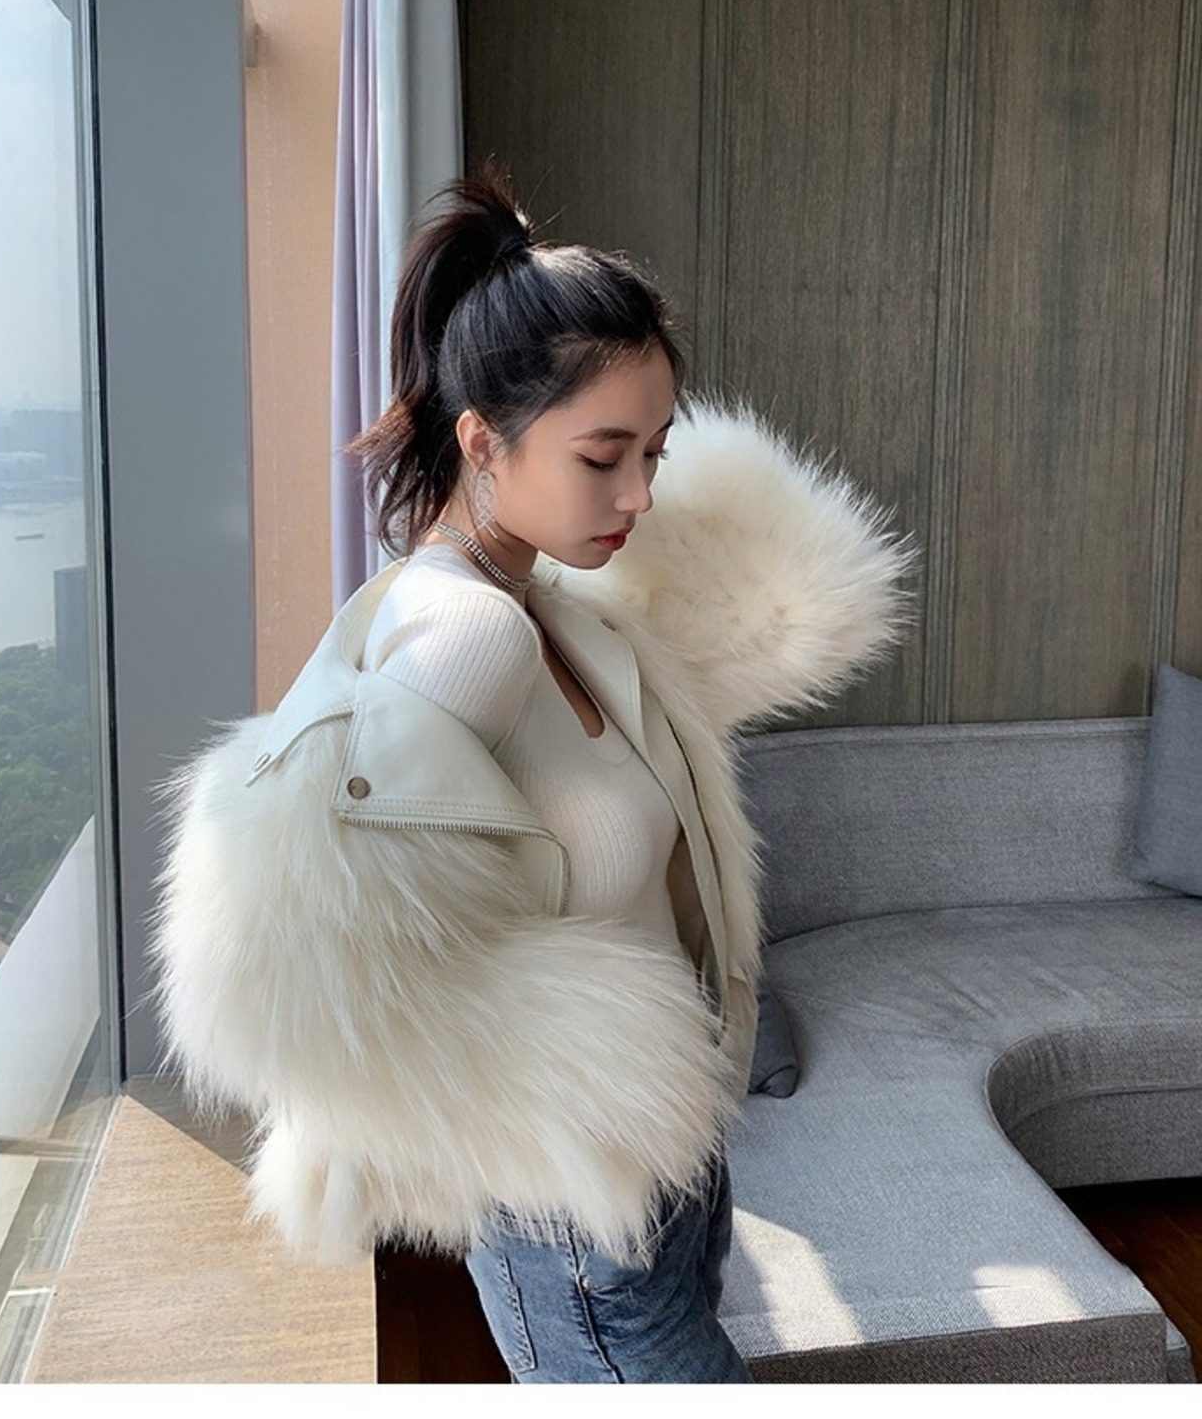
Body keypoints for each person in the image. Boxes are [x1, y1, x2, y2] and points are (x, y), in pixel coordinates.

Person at [152, 163, 916, 1383]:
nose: (640, 494)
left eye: (654, 451)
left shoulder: (557, 606)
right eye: (602, 456)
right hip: (570, 1202)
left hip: (666, 1165)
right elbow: (293, 930)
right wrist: (554, 1095)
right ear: (482, 441)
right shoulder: (468, 632)